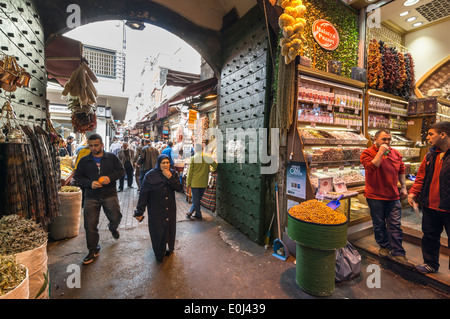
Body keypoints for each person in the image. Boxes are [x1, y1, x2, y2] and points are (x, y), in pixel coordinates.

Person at [360, 129, 413, 267]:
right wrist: (381, 152)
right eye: (384, 139)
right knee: (379, 224)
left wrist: (403, 187)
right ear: (375, 139)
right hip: (375, 196)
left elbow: (401, 170)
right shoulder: (366, 153)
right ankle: (383, 246)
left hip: (393, 195)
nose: (387, 142)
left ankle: (398, 252)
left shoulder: (396, 153)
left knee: (395, 224)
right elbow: (372, 167)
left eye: (389, 139)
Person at [74, 133, 125, 265]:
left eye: (96, 145)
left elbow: (121, 171)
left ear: (102, 145)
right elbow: (78, 177)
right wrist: (90, 183)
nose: (93, 148)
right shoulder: (84, 161)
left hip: (109, 195)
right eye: (91, 146)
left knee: (115, 217)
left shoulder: (112, 158)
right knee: (90, 225)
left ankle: (113, 227)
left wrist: (110, 178)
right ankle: (93, 250)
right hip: (91, 196)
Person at [408, 121, 450, 274]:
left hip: (448, 207)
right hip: (430, 206)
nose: (428, 137)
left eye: (431, 134)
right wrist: (413, 193)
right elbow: (420, 178)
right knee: (429, 237)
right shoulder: (430, 155)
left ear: (443, 134)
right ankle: (430, 263)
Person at [133, 154, 182, 262]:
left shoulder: (173, 173)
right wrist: (139, 211)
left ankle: (170, 248)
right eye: (163, 163)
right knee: (158, 231)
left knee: (169, 229)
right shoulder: (150, 175)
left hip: (170, 207)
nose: (165, 165)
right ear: (158, 164)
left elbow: (179, 188)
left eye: (167, 162)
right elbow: (144, 194)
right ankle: (159, 253)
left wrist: (170, 178)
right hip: (156, 209)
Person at [186, 143, 218, 219]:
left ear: (195, 149)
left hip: (195, 182)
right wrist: (210, 169)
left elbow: (190, 172)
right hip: (204, 182)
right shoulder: (208, 157)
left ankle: (197, 214)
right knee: (197, 199)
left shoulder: (193, 158)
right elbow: (215, 166)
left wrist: (188, 183)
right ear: (202, 149)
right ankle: (193, 212)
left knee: (196, 200)